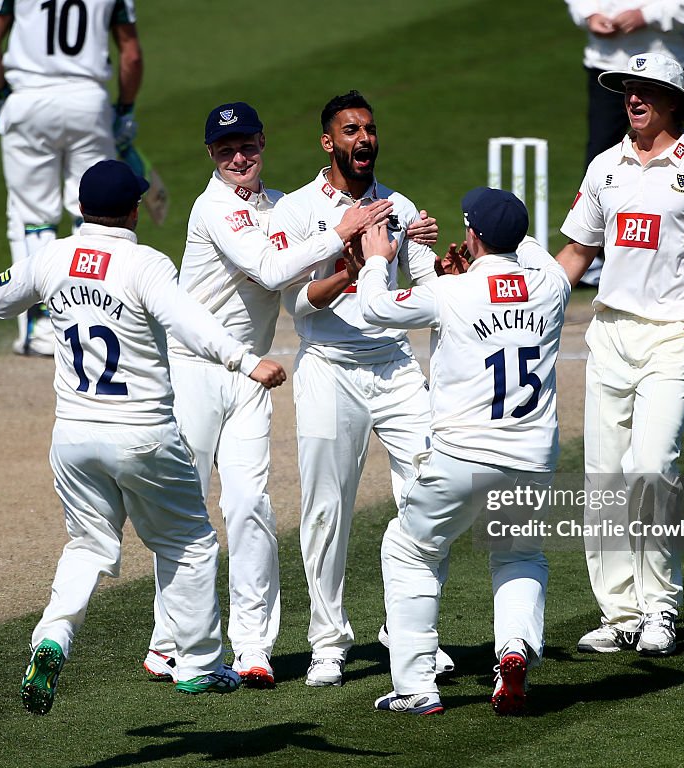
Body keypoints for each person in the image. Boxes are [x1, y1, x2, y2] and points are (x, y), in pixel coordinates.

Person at [0, 159, 287, 714]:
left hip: (73, 437)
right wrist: (246, 360)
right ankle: (198, 665)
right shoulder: (145, 262)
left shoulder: (53, 255)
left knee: (89, 545)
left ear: (80, 209)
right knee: (190, 544)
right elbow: (188, 321)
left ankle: (53, 636)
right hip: (143, 432)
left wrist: (42, 289)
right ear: (131, 211)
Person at [141, 101, 395, 689]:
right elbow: (267, 265)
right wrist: (340, 230)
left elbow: (298, 292)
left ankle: (252, 647)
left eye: (248, 145)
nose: (239, 157)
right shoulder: (213, 207)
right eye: (226, 149)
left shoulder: (281, 206)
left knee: (250, 506)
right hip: (195, 371)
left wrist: (367, 253)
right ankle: (167, 641)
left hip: (252, 376)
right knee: (186, 510)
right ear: (211, 154)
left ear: (262, 143)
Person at [555, 52, 684, 657]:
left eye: (646, 90)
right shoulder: (604, 168)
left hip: (675, 337)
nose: (632, 98)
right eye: (626, 90)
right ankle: (619, 614)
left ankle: (660, 610)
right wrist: (525, 299)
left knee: (651, 467)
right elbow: (576, 251)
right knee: (604, 480)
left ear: (674, 101)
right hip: (610, 335)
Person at [356, 188, 570, 716]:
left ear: (472, 235)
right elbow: (530, 252)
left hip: (462, 455)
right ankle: (514, 651)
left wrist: (378, 260)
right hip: (532, 457)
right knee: (518, 554)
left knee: (409, 550)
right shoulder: (553, 284)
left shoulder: (453, 293)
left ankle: (416, 685)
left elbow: (374, 308)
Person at [268, 90, 454, 687]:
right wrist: (354, 264)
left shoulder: (397, 205)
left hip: (395, 367)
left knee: (430, 493)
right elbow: (295, 302)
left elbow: (426, 285)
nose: (364, 139)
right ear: (329, 142)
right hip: (328, 365)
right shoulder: (296, 210)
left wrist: (446, 270)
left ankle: (409, 629)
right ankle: (328, 640)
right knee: (327, 510)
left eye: (369, 130)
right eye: (351, 131)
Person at [0, 0, 143, 356]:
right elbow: (130, 55)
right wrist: (125, 110)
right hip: (89, 104)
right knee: (96, 211)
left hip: (29, 102)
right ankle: (99, 317)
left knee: (32, 215)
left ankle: (41, 328)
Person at [566, 0, 684, 286]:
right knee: (603, 155)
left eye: (639, 94)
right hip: (607, 61)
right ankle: (597, 254)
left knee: (668, 158)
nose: (633, 100)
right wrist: (589, 14)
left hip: (667, 59)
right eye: (630, 94)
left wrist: (646, 15)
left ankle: (663, 255)